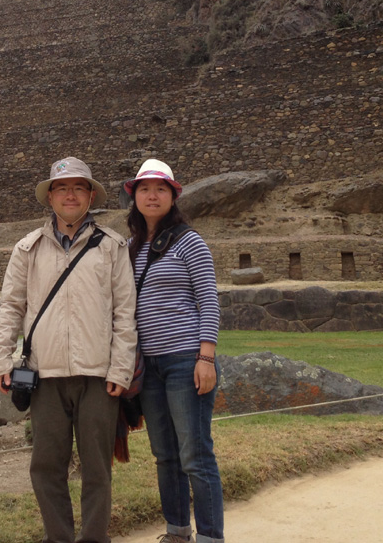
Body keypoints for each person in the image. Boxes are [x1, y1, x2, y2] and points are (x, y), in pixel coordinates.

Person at [0, 156, 137, 543]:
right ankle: (58, 537)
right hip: (46, 375)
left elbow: (125, 314)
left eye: (78, 188)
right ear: (50, 197)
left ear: (90, 196)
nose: (70, 195)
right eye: (62, 188)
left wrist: (121, 369)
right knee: (46, 467)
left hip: (97, 375)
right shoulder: (27, 249)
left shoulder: (112, 247)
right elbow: (11, 308)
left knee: (96, 470)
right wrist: (1, 360)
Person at [124, 159, 224, 543]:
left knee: (195, 455)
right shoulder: (133, 247)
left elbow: (209, 301)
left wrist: (206, 357)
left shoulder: (188, 241)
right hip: (148, 364)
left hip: (185, 359)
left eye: (160, 189)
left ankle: (211, 537)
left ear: (173, 195)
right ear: (134, 197)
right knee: (165, 455)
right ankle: (177, 531)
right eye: (145, 189)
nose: (152, 195)